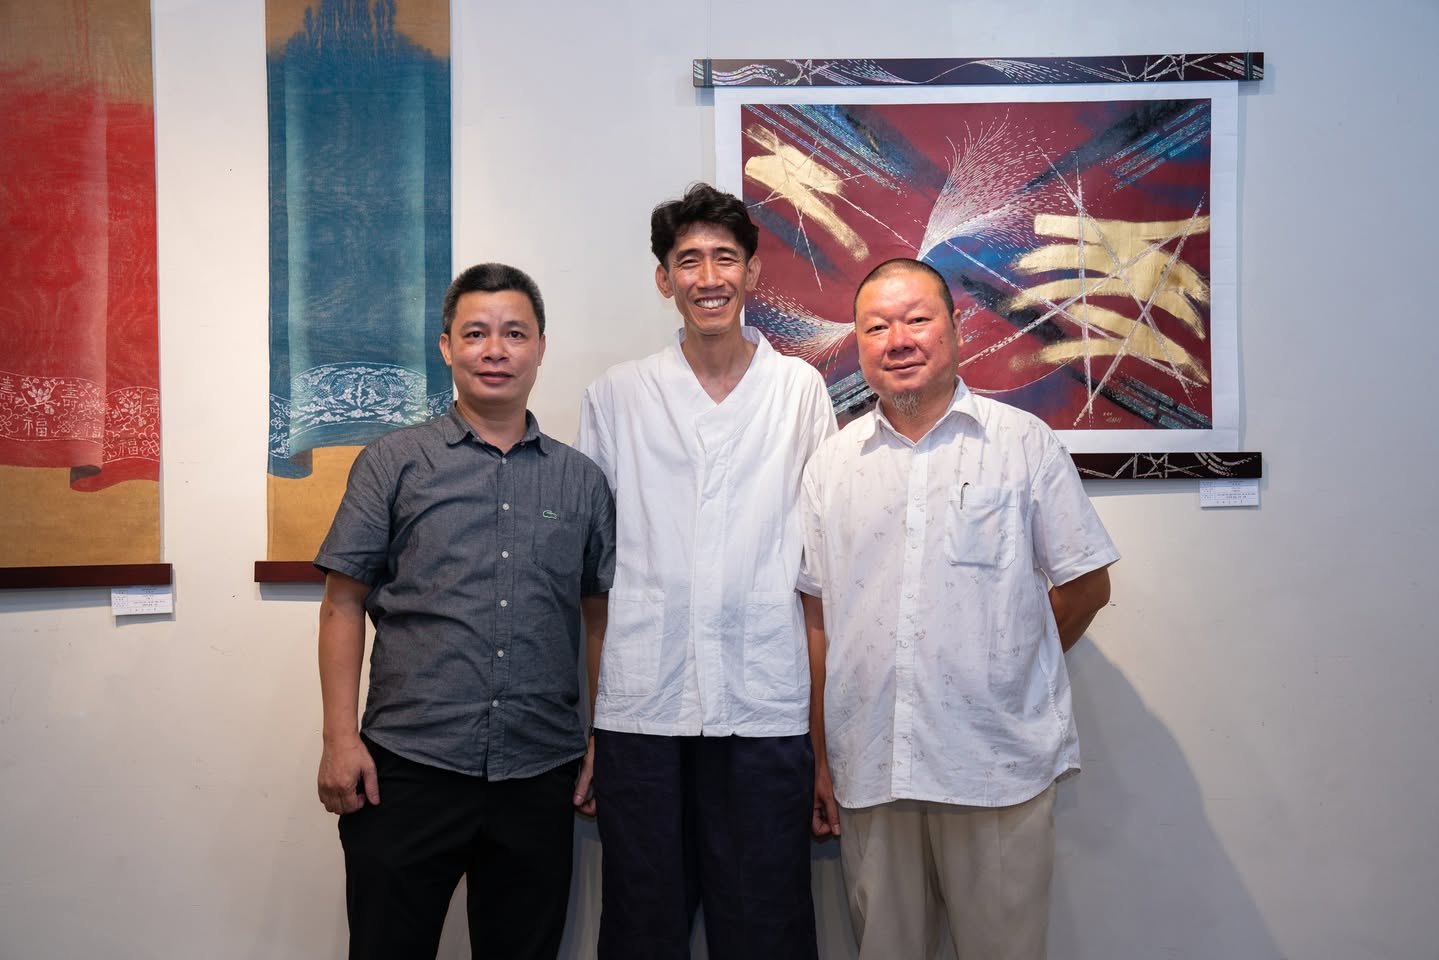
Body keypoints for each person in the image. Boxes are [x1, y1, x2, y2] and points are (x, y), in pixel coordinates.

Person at [799, 258, 1119, 960]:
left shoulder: (1021, 444)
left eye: (917, 320)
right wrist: (820, 756)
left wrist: (1009, 668)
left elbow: (1086, 585)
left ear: (956, 329)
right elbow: (819, 619)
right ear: (858, 344)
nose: (898, 340)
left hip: (994, 764)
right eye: (876, 327)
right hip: (872, 766)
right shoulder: (831, 465)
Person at [313, 263, 615, 960]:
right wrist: (339, 740)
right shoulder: (393, 462)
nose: (495, 350)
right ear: (446, 346)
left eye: (514, 333)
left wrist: (602, 737)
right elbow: (341, 604)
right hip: (406, 768)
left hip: (539, 770)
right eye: (475, 333)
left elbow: (599, 618)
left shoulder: (580, 481)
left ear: (541, 347)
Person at [574, 183, 836, 959]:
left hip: (764, 708)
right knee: (641, 921)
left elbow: (818, 576)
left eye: (725, 257)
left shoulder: (797, 391)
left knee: (765, 924)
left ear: (752, 272)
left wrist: (821, 743)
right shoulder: (617, 395)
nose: (708, 277)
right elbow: (596, 578)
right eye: (688, 261)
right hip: (642, 709)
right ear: (664, 279)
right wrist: (596, 722)